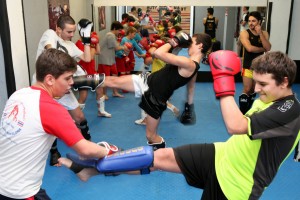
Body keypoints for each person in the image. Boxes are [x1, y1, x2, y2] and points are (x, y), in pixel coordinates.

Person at [60, 50, 300, 199]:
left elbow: (236, 125)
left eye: (263, 84)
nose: (256, 89)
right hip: (221, 154)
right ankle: (90, 170)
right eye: (255, 82)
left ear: (284, 81)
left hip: (236, 184)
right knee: (156, 157)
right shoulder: (272, 99)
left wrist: (224, 78)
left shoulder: (289, 109)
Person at [0, 49, 120, 199]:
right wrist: (114, 153)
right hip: (18, 192)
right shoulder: (51, 108)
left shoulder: (18, 94)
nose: (72, 83)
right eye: (68, 78)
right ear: (50, 79)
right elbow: (85, 149)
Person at [74, 31, 212, 149]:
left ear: (200, 46)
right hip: (147, 80)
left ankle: (161, 153)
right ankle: (73, 81)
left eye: (192, 42)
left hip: (156, 97)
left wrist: (174, 41)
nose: (189, 45)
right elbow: (191, 86)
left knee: (151, 136)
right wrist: (190, 105)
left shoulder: (188, 63)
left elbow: (158, 53)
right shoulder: (193, 65)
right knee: (112, 80)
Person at [32, 15, 95, 166]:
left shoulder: (70, 45)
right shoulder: (50, 34)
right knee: (50, 121)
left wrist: (86, 39)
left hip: (61, 86)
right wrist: (73, 67)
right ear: (58, 29)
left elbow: (87, 58)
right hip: (45, 86)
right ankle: (54, 153)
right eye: (68, 32)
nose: (72, 35)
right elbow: (51, 54)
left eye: (74, 32)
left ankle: (88, 147)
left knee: (79, 116)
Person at [239, 11, 271, 114]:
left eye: (254, 21)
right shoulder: (244, 33)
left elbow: (268, 47)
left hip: (260, 66)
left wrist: (260, 33)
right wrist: (262, 49)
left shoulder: (264, 33)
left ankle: (249, 109)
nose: (251, 23)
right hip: (247, 65)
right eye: (249, 21)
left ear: (259, 22)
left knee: (253, 89)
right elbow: (249, 49)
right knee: (247, 88)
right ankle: (242, 112)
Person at [75, 27, 111, 117]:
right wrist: (92, 47)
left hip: (93, 72)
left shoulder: (90, 43)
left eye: (90, 33)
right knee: (83, 96)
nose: (90, 35)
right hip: (82, 74)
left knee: (100, 90)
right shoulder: (78, 44)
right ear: (81, 33)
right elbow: (89, 58)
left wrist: (97, 41)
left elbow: (98, 52)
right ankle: (75, 117)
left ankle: (101, 111)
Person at [97, 21, 130, 99]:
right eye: (119, 30)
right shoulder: (110, 35)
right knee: (106, 78)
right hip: (105, 60)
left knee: (115, 76)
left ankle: (115, 92)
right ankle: (104, 94)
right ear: (114, 28)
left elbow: (116, 46)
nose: (119, 32)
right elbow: (117, 48)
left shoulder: (113, 36)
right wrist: (124, 47)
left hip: (111, 60)